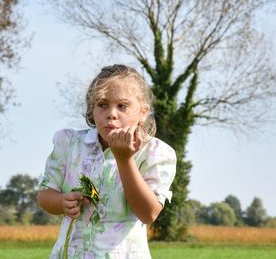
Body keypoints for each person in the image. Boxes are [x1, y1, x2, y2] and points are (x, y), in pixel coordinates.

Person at [37, 64, 176, 258]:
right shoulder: (69, 144)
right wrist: (61, 202)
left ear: (142, 113)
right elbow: (44, 195)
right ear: (92, 109)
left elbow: (148, 213)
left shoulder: (156, 153)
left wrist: (124, 160)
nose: (111, 113)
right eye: (102, 104)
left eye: (122, 106)